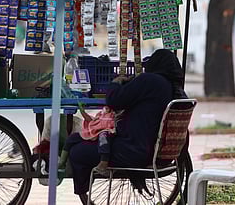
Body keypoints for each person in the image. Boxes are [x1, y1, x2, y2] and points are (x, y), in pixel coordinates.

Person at [67, 49, 188, 204]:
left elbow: (114, 101)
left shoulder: (150, 81)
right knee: (84, 142)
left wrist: (115, 83)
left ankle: (84, 190)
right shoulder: (174, 89)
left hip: (133, 151)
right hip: (158, 153)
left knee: (77, 151)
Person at [58, 102, 120, 177]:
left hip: (106, 131)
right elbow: (91, 120)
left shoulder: (115, 114)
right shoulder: (101, 113)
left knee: (104, 139)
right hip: (94, 131)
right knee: (72, 138)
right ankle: (62, 162)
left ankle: (104, 162)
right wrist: (82, 111)